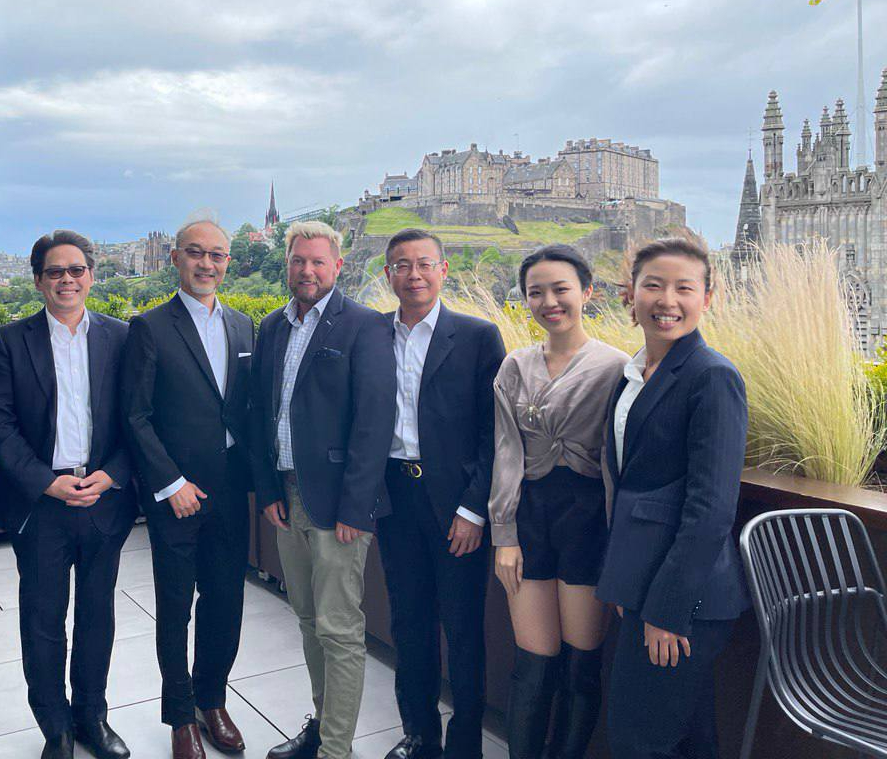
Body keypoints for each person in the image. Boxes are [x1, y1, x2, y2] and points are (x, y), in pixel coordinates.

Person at [0, 230, 137, 759]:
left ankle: (93, 717)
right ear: (39, 280)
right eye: (55, 272)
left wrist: (111, 475)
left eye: (76, 270)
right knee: (42, 619)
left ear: (91, 274)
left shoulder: (122, 337)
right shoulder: (10, 340)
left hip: (104, 497)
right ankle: (55, 727)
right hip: (41, 501)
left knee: (97, 615)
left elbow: (140, 419)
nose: (67, 279)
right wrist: (45, 480)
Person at [597, 236, 750, 759]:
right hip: (643, 584)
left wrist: (667, 609)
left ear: (708, 298)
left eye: (685, 288)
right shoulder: (632, 375)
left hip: (687, 600)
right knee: (688, 737)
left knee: (639, 739)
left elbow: (710, 511)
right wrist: (625, 581)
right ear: (631, 294)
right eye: (653, 285)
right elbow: (635, 487)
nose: (668, 300)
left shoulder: (712, 377)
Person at [249, 220, 396, 759]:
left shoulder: (364, 326)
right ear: (286, 265)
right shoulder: (273, 327)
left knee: (338, 628)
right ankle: (321, 728)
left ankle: (337, 750)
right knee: (308, 620)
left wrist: (356, 507)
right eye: (297, 261)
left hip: (339, 507)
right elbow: (259, 415)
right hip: (286, 499)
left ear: (337, 265)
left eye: (317, 261)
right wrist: (266, 490)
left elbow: (374, 423)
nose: (306, 271)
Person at [121, 218, 256, 759]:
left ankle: (212, 701)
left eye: (217, 255)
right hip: (176, 493)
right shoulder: (150, 327)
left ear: (228, 262)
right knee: (176, 605)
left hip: (230, 489)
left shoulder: (246, 326)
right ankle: (180, 716)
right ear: (175, 258)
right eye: (196, 253)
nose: (207, 264)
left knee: (226, 601)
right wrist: (169, 482)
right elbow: (135, 416)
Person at [490, 245, 627, 759]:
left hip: (589, 522)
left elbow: (620, 466)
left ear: (587, 293)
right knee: (533, 659)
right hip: (529, 519)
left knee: (580, 661)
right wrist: (503, 535)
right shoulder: (515, 365)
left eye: (560, 289)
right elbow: (505, 452)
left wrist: (621, 549)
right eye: (536, 292)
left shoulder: (616, 367)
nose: (549, 301)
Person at [377, 229, 505, 759]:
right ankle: (420, 733)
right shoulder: (372, 334)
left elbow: (495, 433)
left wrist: (474, 509)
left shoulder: (478, 336)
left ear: (443, 270)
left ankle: (466, 744)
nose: (414, 275)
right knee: (409, 622)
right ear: (388, 275)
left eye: (424, 264)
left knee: (463, 627)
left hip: (457, 504)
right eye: (402, 266)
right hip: (393, 500)